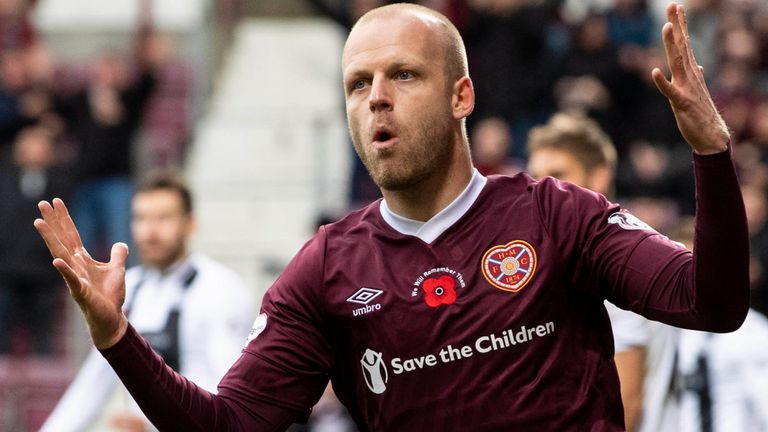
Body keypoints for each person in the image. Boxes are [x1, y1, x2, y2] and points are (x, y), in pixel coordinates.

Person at [34, 3, 749, 430]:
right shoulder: (325, 269)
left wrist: (711, 155)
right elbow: (230, 425)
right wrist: (118, 337)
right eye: (356, 84)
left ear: (462, 96)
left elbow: (713, 302)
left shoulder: (556, 214)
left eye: (403, 75)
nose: (376, 97)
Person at [39, 171, 254, 432]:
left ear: (190, 224)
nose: (150, 231)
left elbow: (232, 399)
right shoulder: (124, 286)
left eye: (163, 218)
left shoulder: (220, 289)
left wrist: (154, 426)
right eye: (142, 218)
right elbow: (90, 388)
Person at [525, 111, 677, 431]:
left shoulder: (617, 259)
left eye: (557, 175)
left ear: (599, 177)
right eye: (536, 178)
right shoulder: (563, 253)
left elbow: (627, 401)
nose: (543, 190)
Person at [0, 124, 68, 355]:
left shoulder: (61, 182)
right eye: (27, 142)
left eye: (39, 143)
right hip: (6, 270)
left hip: (44, 271)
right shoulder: (5, 179)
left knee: (43, 340)